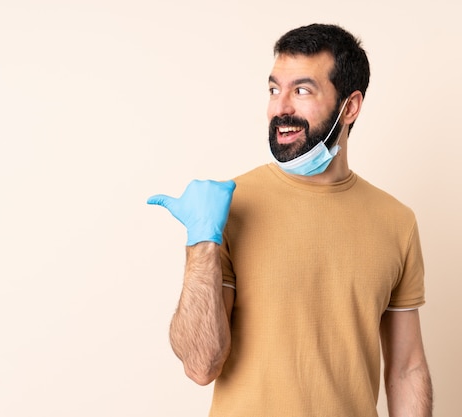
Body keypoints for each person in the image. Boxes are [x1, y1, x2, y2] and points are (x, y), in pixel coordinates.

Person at [148, 23, 433, 417]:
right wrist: (202, 242)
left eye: (301, 90)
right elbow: (200, 365)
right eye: (273, 89)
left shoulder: (396, 222)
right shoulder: (228, 207)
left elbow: (406, 369)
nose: (280, 107)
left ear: (349, 107)